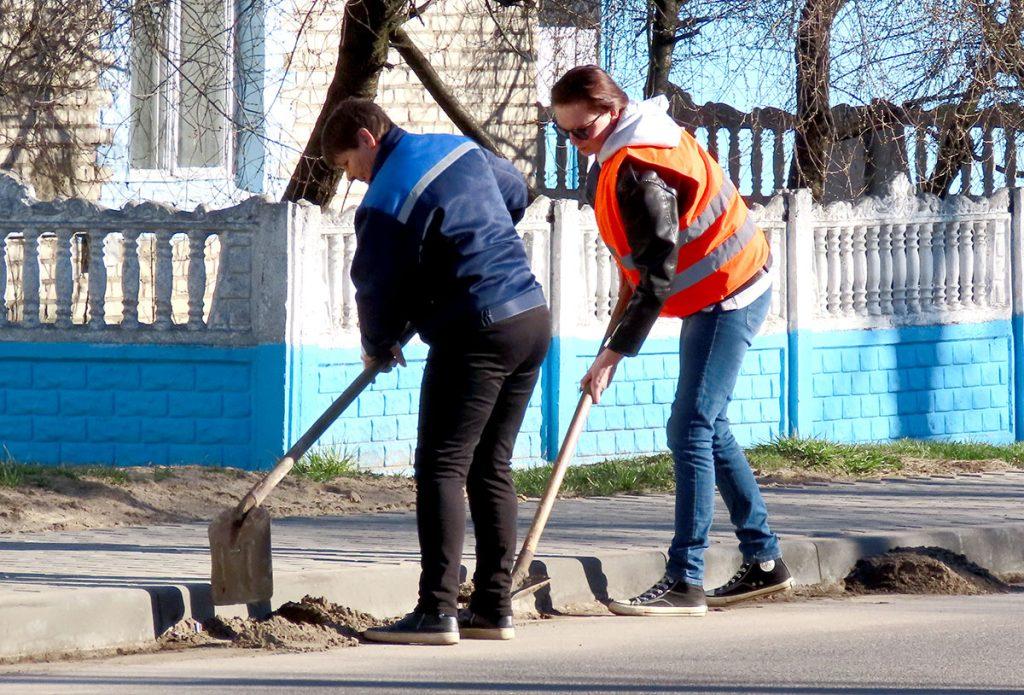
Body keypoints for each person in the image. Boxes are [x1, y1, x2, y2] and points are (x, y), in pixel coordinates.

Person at [549, 65, 792, 616]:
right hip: (719, 289)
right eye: (564, 133)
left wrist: (613, 353)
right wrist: (613, 333)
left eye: (580, 132)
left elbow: (657, 276)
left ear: (612, 113)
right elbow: (634, 265)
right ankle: (766, 562)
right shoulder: (620, 152)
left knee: (690, 425)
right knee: (708, 423)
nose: (575, 143)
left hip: (730, 291)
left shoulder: (641, 171)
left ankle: (686, 579)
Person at [321, 98, 551, 644]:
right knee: (490, 466)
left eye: (349, 164)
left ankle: (436, 609)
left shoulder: (384, 200)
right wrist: (472, 239)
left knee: (442, 466)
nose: (354, 179)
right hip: (531, 317)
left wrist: (377, 343)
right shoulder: (456, 147)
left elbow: (376, 287)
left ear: (366, 138)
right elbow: (516, 194)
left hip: (476, 329)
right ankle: (494, 608)